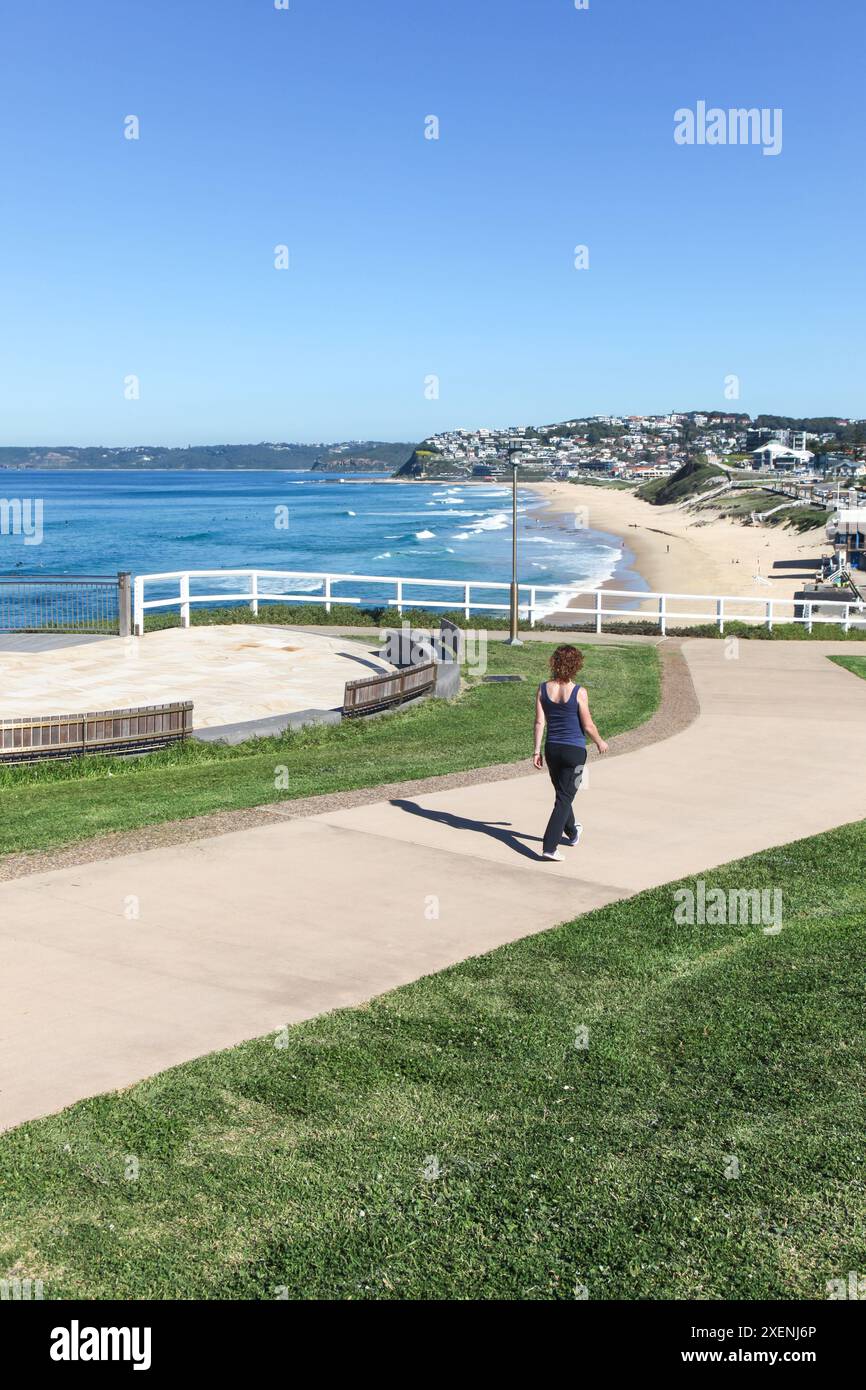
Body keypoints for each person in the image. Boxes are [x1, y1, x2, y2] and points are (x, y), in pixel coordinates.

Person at [533, 644, 608, 862]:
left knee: (563, 794)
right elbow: (588, 725)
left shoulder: (542, 689)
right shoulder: (579, 692)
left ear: (554, 663)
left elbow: (539, 722)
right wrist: (600, 742)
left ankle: (573, 832)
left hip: (552, 750)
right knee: (564, 798)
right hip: (574, 752)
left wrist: (536, 751)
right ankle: (549, 846)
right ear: (576, 665)